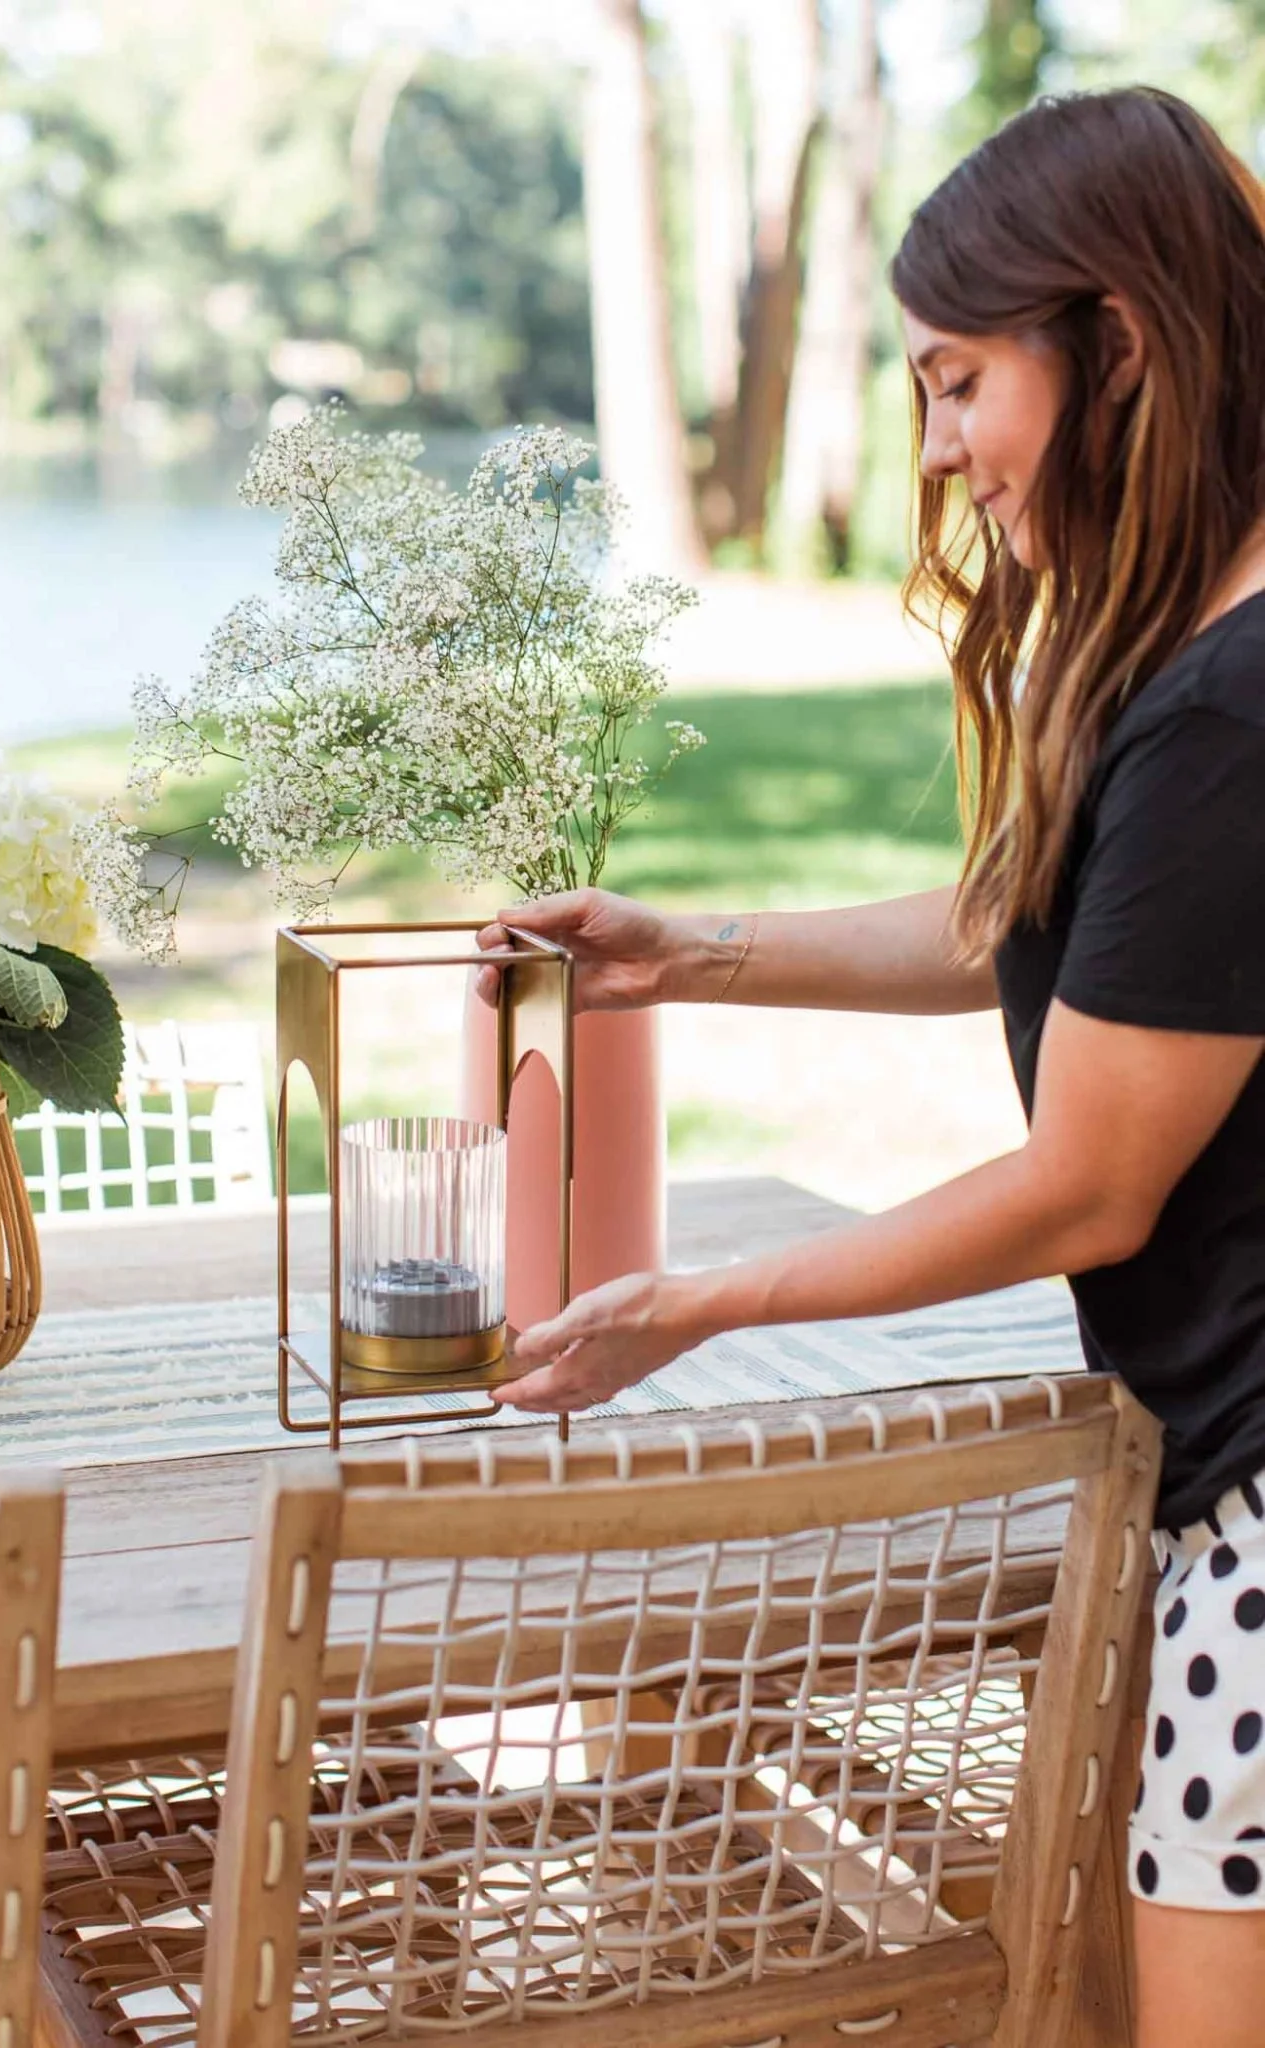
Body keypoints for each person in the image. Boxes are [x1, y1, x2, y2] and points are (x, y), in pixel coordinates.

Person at [476, 85, 1265, 2047]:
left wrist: (702, 1308)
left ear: (1121, 343)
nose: (937, 449)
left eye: (956, 381)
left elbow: (1090, 1176)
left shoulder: (1239, 706)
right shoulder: (1205, 654)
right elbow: (1067, 938)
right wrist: (693, 949)